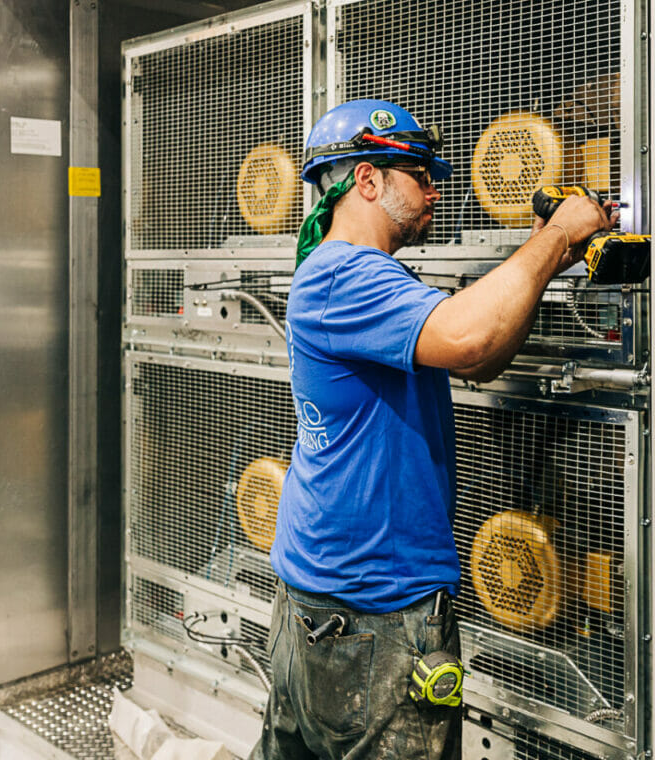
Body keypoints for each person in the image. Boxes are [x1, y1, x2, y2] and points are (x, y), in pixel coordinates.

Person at [250, 99, 616, 760]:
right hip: (374, 611)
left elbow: (479, 358)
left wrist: (550, 258)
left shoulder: (351, 274)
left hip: (327, 599)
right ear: (367, 179)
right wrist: (558, 234)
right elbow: (471, 337)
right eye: (420, 175)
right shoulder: (345, 274)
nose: (435, 191)